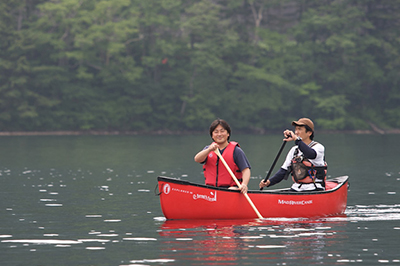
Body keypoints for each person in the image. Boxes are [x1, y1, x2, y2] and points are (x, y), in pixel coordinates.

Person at [259, 118, 327, 192]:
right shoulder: (294, 150)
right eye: (296, 129)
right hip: (296, 188)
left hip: (314, 188)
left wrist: (296, 139)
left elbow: (310, 154)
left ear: (309, 133)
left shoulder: (318, 147)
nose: (296, 132)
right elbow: (283, 171)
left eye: (300, 129)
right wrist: (269, 182)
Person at [194, 119, 251, 194]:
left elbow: (246, 170)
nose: (219, 134)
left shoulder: (236, 151)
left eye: (222, 131)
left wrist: (244, 184)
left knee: (231, 190)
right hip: (211, 188)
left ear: (228, 134)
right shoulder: (208, 149)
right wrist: (209, 150)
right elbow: (197, 159)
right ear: (212, 135)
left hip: (231, 188)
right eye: (216, 132)